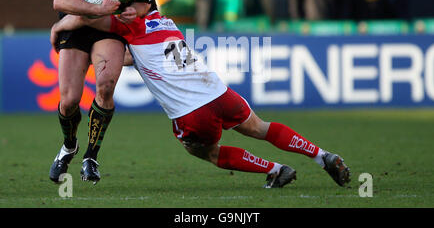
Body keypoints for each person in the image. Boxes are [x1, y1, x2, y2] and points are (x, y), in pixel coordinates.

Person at [49, 11, 351, 189]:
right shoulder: (164, 21)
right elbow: (138, 57)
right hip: (219, 93)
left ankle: (273, 170)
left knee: (205, 152)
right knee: (262, 127)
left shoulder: (127, 23)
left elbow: (91, 18)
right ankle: (320, 155)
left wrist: (61, 25)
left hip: (192, 112)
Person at [49, 0, 157, 184]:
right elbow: (60, 0)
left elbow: (146, 4)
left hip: (109, 29)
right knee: (69, 100)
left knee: (106, 87)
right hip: (78, 26)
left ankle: (91, 156)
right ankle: (69, 146)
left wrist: (136, 11)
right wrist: (96, 8)